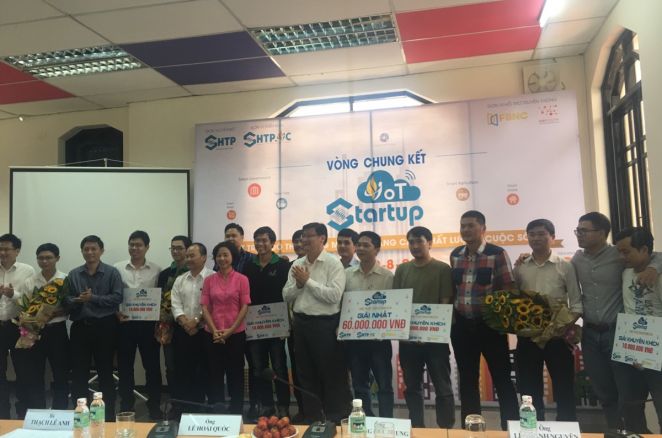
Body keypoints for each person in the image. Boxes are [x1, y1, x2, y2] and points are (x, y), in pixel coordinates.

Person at [572, 212, 660, 432]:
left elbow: (654, 256)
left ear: (602, 233)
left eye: (584, 230)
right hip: (592, 335)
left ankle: (635, 432)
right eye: (577, 230)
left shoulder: (620, 256)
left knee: (636, 394)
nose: (579, 234)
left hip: (621, 333)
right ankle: (619, 433)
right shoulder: (577, 259)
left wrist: (653, 268)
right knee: (611, 394)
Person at [450, 210, 519, 430]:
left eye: (471, 225)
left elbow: (508, 289)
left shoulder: (497, 254)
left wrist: (500, 321)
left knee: (502, 379)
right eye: (463, 226)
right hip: (462, 326)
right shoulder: (456, 254)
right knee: (467, 380)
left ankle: (511, 429)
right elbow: (455, 290)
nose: (466, 230)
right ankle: (471, 429)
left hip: (490, 327)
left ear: (483, 228)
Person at [513, 219, 582, 421]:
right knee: (528, 390)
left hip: (557, 338)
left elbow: (576, 304)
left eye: (541, 234)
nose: (536, 238)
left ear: (552, 237)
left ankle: (567, 428)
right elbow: (513, 300)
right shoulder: (520, 267)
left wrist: (561, 327)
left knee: (564, 388)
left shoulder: (565, 266)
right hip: (528, 337)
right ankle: (531, 428)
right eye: (532, 234)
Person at [283, 222, 351, 423]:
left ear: (322, 238)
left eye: (308, 236)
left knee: (331, 373)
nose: (303, 240)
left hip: (325, 325)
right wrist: (298, 285)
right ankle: (312, 417)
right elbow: (286, 295)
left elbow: (334, 296)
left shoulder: (333, 264)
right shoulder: (297, 265)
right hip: (301, 325)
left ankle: (335, 418)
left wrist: (308, 282)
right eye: (302, 236)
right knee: (305, 374)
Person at [393, 226, 454, 427]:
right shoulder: (402, 270)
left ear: (430, 243)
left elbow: (445, 303)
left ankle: (446, 429)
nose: (415, 246)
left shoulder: (443, 269)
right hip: (408, 341)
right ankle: (417, 427)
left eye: (419, 241)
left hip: (435, 341)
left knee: (443, 388)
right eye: (411, 242)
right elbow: (397, 303)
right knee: (412, 388)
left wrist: (429, 333)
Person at [65, 235, 123, 422]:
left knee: (105, 373)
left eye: (93, 249)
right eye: (86, 249)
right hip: (80, 328)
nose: (89, 252)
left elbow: (117, 298)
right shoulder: (74, 274)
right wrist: (77, 300)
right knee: (79, 374)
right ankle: (81, 417)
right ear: (82, 251)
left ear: (101, 251)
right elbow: (66, 300)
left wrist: (93, 298)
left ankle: (108, 417)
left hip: (105, 327)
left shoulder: (112, 272)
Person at [615, 227, 662, 432]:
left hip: (658, 354)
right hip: (631, 352)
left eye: (626, 252)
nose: (621, 257)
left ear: (644, 249)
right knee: (631, 409)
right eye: (619, 252)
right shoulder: (626, 272)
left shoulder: (658, 274)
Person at [344, 231, 394, 418]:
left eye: (366, 245)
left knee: (384, 385)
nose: (360, 248)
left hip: (379, 341)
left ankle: (387, 421)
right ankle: (366, 421)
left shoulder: (387, 276)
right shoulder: (346, 275)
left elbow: (394, 308)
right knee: (359, 385)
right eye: (358, 245)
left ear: (377, 249)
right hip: (355, 341)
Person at [13, 243, 69, 411]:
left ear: (57, 258)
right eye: (41, 258)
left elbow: (71, 306)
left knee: (60, 373)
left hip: (57, 331)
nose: (44, 261)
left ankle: (60, 412)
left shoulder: (65, 279)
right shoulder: (30, 281)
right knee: (35, 374)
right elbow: (24, 307)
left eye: (48, 258)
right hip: (34, 332)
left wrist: (54, 313)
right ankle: (38, 412)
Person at [114, 230, 162, 420]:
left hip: (148, 324)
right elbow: (113, 294)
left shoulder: (157, 269)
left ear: (147, 247)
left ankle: (155, 405)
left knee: (152, 366)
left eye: (139, 245)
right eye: (132, 244)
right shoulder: (117, 268)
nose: (135, 248)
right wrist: (116, 312)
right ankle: (126, 405)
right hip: (124, 324)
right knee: (125, 367)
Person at [244, 226, 291, 417]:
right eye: (257, 240)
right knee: (258, 367)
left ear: (272, 243)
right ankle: (266, 405)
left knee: (279, 367)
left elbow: (288, 295)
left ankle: (283, 406)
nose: (260, 244)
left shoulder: (283, 265)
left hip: (277, 325)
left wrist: (286, 325)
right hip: (255, 326)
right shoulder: (248, 266)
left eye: (264, 240)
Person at [201, 241, 251, 415]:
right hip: (212, 334)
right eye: (218, 255)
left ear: (232, 257)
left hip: (235, 334)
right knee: (214, 373)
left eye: (225, 255)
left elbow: (244, 307)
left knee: (235, 373)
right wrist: (214, 330)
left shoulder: (242, 279)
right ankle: (218, 409)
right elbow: (205, 307)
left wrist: (229, 331)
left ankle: (236, 409)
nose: (222, 258)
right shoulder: (209, 280)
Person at [171, 243, 214, 411]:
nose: (188, 259)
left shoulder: (213, 277)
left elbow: (213, 304)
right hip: (183, 331)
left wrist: (196, 321)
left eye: (192, 255)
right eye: (187, 256)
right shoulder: (180, 279)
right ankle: (184, 408)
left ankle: (203, 407)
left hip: (205, 330)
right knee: (182, 370)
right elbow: (175, 304)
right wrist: (185, 322)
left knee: (204, 370)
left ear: (203, 257)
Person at [223, 222, 257, 417]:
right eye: (227, 235)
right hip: (228, 324)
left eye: (234, 235)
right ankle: (233, 405)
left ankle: (254, 404)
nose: (230, 239)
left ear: (242, 238)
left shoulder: (252, 260)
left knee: (254, 364)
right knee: (233, 366)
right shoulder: (220, 261)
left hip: (251, 320)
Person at [0, 233, 35, 419]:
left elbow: (31, 302)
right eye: (0, 249)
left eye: (7, 249)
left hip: (18, 326)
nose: (3, 252)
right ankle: (2, 415)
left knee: (23, 371)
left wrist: (12, 294)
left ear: (17, 251)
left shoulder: (27, 270)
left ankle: (23, 415)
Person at [156, 235, 191, 396]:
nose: (175, 251)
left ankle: (191, 401)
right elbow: (157, 298)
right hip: (168, 326)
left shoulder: (193, 272)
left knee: (189, 364)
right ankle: (175, 401)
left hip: (189, 324)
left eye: (179, 248)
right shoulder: (164, 274)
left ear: (188, 249)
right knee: (170, 365)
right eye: (173, 248)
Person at [288, 229, 306, 422]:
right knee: (297, 369)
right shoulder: (289, 266)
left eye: (302, 241)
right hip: (293, 327)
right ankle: (302, 409)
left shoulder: (323, 265)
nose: (299, 245)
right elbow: (284, 296)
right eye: (296, 242)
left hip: (317, 326)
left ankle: (321, 409)